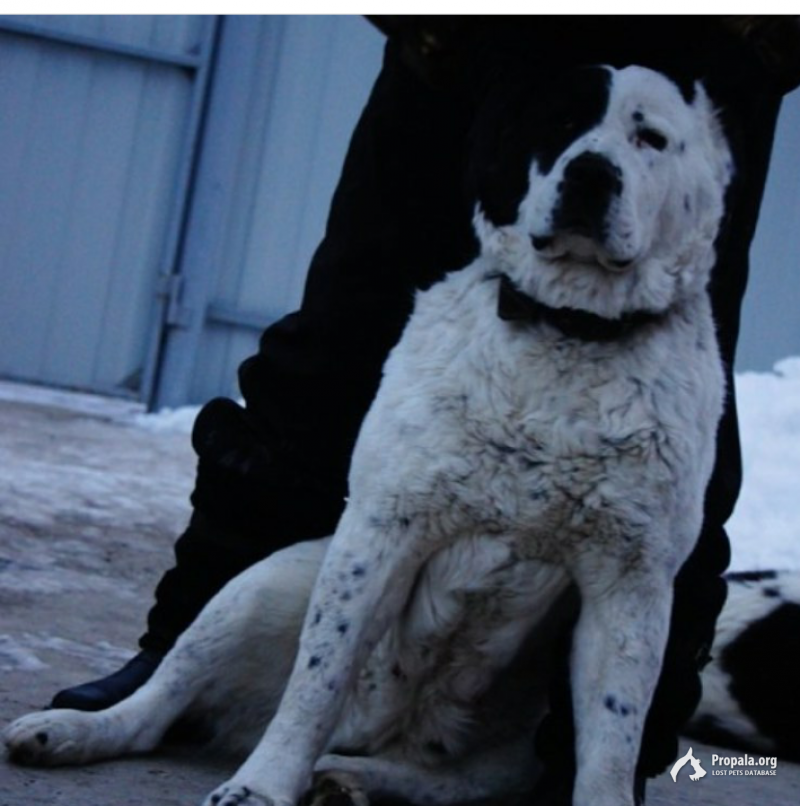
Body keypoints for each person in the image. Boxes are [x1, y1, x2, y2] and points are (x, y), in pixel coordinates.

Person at [50, 16, 800, 804]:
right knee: (334, 337)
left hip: (709, 28)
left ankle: (605, 762)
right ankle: (186, 652)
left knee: (674, 442)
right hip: (474, 22)